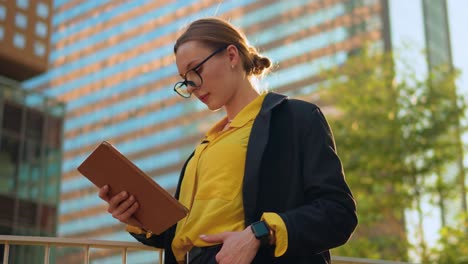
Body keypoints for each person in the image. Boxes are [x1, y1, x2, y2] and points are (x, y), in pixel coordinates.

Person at [98, 17, 357, 264]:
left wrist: (259, 233)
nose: (191, 86)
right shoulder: (203, 149)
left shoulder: (295, 118)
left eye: (196, 70)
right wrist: (140, 216)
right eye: (185, 80)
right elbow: (183, 235)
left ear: (232, 55)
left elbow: (338, 213)